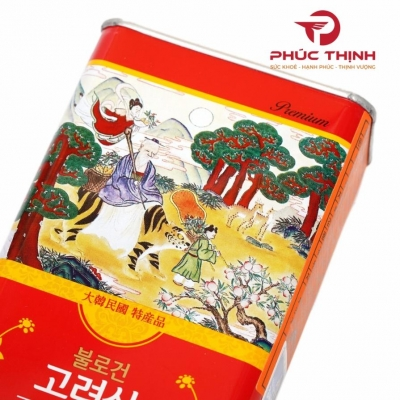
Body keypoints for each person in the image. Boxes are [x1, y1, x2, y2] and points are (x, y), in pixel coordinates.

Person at [99, 138, 163, 207]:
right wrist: (130, 182)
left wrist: (139, 185)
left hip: (141, 190)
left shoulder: (151, 168)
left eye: (153, 154)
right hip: (123, 188)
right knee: (111, 193)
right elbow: (117, 177)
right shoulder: (126, 160)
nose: (150, 155)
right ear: (141, 147)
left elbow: (149, 186)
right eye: (147, 151)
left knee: (157, 198)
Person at [172, 225, 220, 290]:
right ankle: (187, 285)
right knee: (192, 272)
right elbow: (202, 253)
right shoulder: (204, 240)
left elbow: (202, 248)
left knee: (185, 269)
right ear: (208, 232)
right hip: (194, 258)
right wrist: (214, 254)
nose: (213, 237)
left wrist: (211, 249)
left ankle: (178, 280)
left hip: (190, 256)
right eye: (213, 235)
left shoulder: (202, 238)